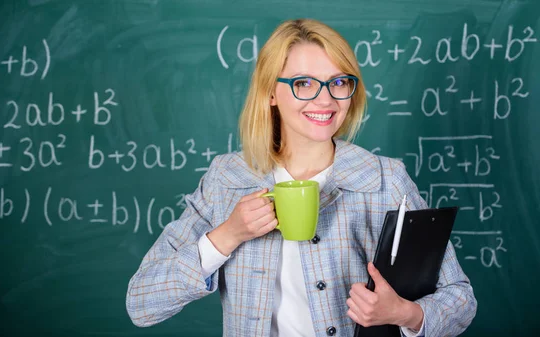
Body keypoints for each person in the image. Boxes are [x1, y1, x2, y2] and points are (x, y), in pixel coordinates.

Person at [126, 18, 477, 337]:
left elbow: (460, 299)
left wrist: (405, 313)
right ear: (270, 93)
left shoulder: (384, 179)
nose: (325, 99)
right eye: (304, 83)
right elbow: (142, 304)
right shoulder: (227, 179)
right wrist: (227, 235)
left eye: (339, 82)